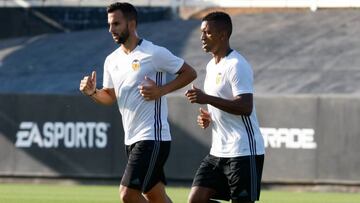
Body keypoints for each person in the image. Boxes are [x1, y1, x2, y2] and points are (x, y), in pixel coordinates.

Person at [79, 2, 197, 203]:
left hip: (153, 137)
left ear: (132, 24)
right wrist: (93, 92)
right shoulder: (111, 60)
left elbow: (190, 73)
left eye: (116, 24)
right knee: (155, 195)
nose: (111, 29)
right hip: (131, 140)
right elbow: (109, 96)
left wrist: (162, 90)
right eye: (109, 24)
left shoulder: (154, 53)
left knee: (127, 194)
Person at [185, 11, 265, 203]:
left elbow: (245, 106)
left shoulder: (237, 65)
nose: (202, 37)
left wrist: (207, 98)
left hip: (243, 151)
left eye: (207, 32)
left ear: (223, 35)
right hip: (218, 151)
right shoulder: (212, 65)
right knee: (195, 200)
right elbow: (222, 101)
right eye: (201, 32)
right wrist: (210, 116)